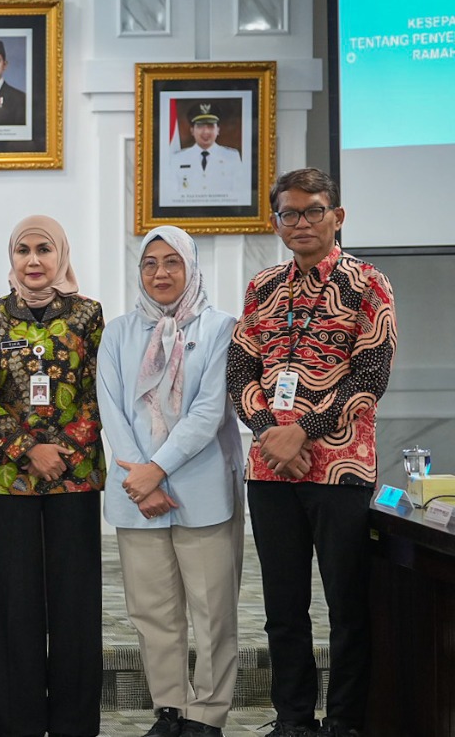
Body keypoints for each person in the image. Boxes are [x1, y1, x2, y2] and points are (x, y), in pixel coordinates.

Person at [228, 168, 396, 737]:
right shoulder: (262, 287)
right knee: (283, 609)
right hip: (270, 471)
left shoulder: (369, 283)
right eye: (289, 214)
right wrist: (268, 433)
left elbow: (370, 376)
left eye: (313, 211)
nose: (301, 222)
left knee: (346, 608)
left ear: (337, 216)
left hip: (340, 470)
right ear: (276, 222)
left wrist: (302, 431)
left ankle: (344, 721)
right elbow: (239, 371)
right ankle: (293, 719)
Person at [98, 226, 244, 737]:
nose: (160, 273)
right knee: (152, 610)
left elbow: (208, 412)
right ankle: (170, 707)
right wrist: (141, 476)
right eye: (149, 263)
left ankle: (207, 714)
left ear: (191, 267)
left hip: (202, 488)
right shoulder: (118, 333)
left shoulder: (222, 328)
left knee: (213, 610)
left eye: (172, 262)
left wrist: (156, 470)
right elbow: (111, 411)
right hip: (136, 491)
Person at [0, 214, 105, 737]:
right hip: (7, 480)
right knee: (12, 606)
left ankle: (74, 725)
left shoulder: (88, 314)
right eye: (23, 250)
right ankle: (16, 724)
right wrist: (29, 450)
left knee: (75, 604)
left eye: (44, 249)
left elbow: (98, 393)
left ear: (61, 255)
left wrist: (60, 452)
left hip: (74, 478)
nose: (33, 260)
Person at [165, 105, 246, 204]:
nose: (206, 131)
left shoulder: (232, 157)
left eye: (211, 126)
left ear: (218, 130)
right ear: (192, 130)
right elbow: (172, 196)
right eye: (200, 126)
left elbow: (239, 195)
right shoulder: (177, 159)